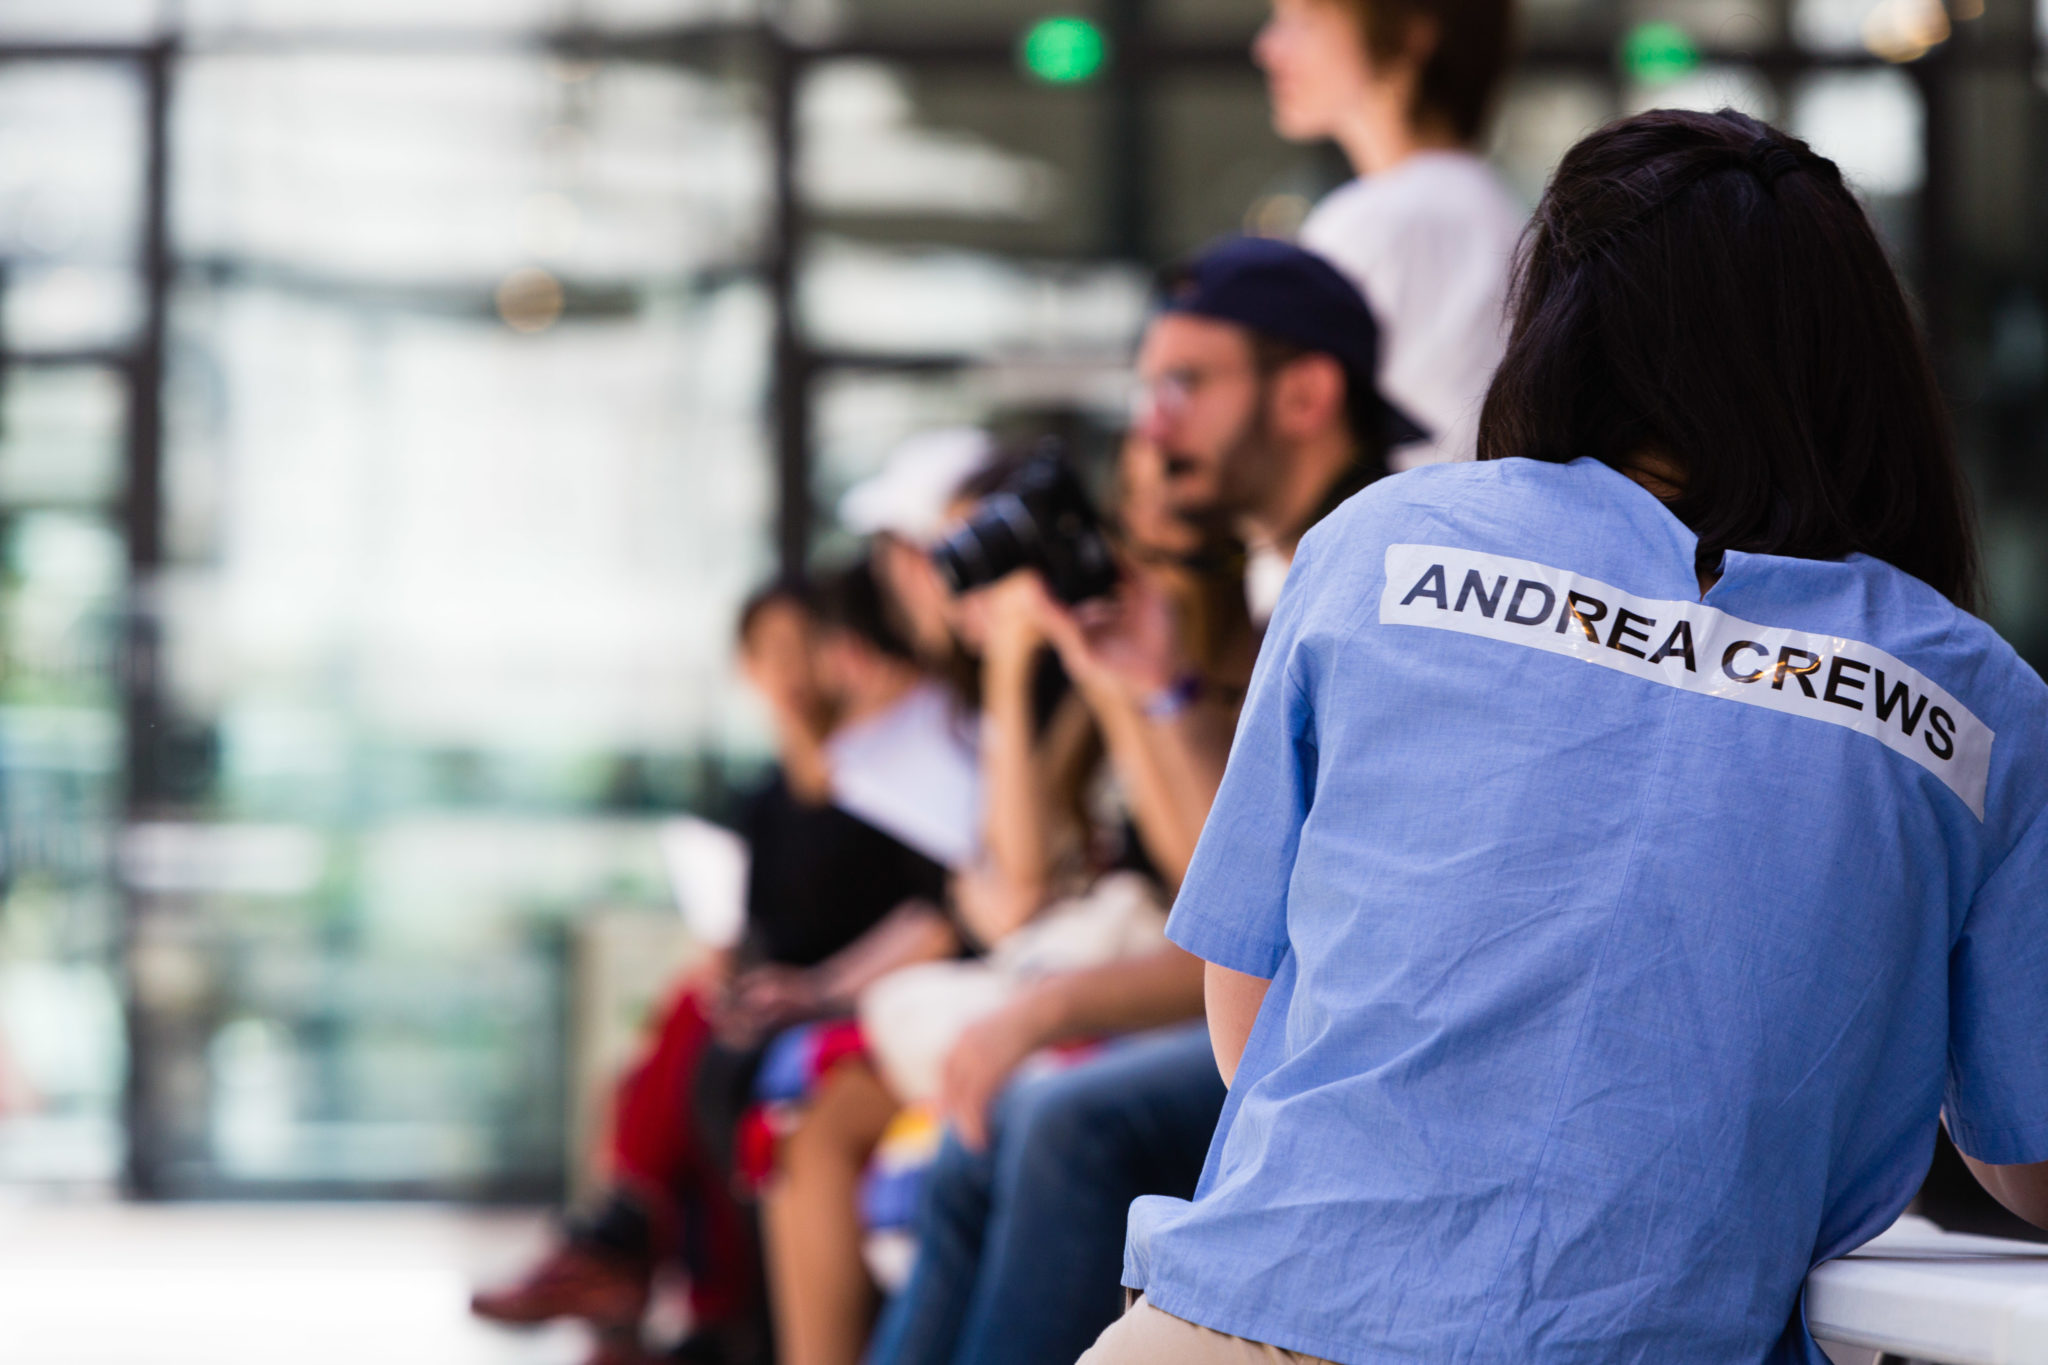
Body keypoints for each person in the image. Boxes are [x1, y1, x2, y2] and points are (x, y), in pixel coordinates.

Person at [1087, 109, 2048, 1365]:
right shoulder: (1977, 700)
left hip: (1242, 1319)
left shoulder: (1379, 546)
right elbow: (2027, 1156)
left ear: (1559, 327)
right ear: (1859, 360)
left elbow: (1248, 1030)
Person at [865, 237, 1414, 1365]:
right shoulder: (1285, 572)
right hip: (1273, 1025)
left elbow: (1271, 926)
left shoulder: (1388, 565)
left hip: (1362, 1049)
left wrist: (1049, 1006)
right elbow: (1216, 884)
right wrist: (1147, 688)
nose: (1149, 430)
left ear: (1305, 395)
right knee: (987, 1131)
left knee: (1063, 1117)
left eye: (1183, 384)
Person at [472, 570, 963, 1365]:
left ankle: (633, 1256)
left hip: (851, 998)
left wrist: (814, 990)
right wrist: (738, 975)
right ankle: (654, 1279)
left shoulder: (891, 785)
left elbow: (937, 916)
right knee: (685, 1041)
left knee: (713, 1056)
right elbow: (742, 930)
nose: (792, 668)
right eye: (771, 650)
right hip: (787, 998)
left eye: (807, 644)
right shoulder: (763, 801)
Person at [1254, 0, 1522, 476]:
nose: (1267, 48)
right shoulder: (1500, 211)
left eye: (1303, 22)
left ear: (1408, 36)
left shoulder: (1383, 220)